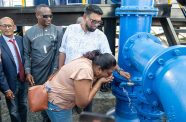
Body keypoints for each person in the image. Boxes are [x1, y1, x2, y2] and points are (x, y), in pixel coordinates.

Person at [58, 4, 130, 112]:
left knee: (87, 108)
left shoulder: (100, 36)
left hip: (87, 81)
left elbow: (109, 56)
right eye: (93, 21)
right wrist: (60, 70)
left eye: (99, 22)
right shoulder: (70, 29)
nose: (96, 25)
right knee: (65, 109)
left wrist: (119, 71)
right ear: (84, 17)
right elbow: (62, 51)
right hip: (68, 79)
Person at [46, 50, 117, 122]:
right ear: (99, 69)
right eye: (109, 73)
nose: (110, 76)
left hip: (55, 97)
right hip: (57, 103)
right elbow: (82, 104)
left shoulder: (88, 61)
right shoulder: (85, 71)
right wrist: (99, 82)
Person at [23, 4, 63, 122]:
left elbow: (60, 52)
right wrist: (28, 72)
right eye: (45, 16)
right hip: (37, 71)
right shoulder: (29, 33)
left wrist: (56, 69)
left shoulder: (57, 30)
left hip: (53, 70)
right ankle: (46, 118)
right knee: (41, 97)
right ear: (37, 16)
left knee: (53, 97)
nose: (49, 19)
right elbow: (26, 54)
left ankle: (51, 118)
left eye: (50, 16)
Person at [0, 17, 28, 122]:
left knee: (24, 106)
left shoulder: (21, 40)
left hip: (22, 79)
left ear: (14, 27)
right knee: (13, 110)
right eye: (4, 25)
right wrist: (5, 88)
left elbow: (26, 58)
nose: (7, 28)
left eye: (9, 25)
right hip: (9, 83)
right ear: (0, 27)